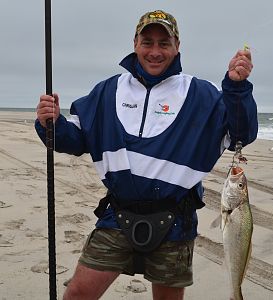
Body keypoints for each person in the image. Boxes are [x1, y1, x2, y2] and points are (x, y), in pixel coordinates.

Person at [35, 9, 258, 300]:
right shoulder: (108, 90)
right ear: (135, 44)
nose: (155, 51)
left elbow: (241, 133)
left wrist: (237, 87)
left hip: (175, 221)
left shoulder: (200, 94)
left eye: (164, 43)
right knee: (77, 294)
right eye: (147, 42)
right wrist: (49, 122)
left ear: (177, 46)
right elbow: (74, 138)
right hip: (116, 214)